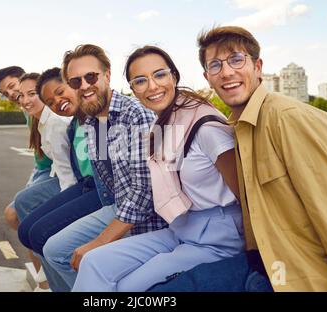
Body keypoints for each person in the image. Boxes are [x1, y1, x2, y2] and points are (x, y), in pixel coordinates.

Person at [194, 25, 327, 291]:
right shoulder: (238, 128)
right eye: (215, 65)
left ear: (258, 67)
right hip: (262, 266)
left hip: (301, 277)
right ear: (207, 77)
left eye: (236, 59)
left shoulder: (288, 118)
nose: (226, 72)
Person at [72, 45, 245, 292]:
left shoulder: (203, 126)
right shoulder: (163, 121)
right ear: (133, 88)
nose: (152, 86)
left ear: (174, 76)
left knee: (125, 287)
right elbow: (108, 178)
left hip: (214, 236)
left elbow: (247, 197)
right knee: (93, 263)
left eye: (160, 75)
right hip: (180, 226)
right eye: (141, 81)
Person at [42, 44, 167, 290]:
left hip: (150, 220)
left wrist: (101, 242)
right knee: (54, 250)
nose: (84, 85)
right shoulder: (92, 121)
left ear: (107, 75)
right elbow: (108, 183)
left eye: (91, 77)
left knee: (89, 258)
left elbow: (145, 193)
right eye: (76, 81)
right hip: (118, 206)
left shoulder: (136, 114)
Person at [17, 67, 106, 261]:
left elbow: (109, 179)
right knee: (26, 231)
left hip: (100, 191)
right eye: (50, 101)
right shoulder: (75, 124)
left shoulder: (99, 119)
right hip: (86, 185)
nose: (57, 102)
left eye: (60, 93)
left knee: (41, 236)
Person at [0, 66, 59, 290]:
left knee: (16, 213)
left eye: (12, 87)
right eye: (5, 92)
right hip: (40, 171)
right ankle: (43, 275)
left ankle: (46, 278)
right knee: (16, 216)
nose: (10, 94)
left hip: (53, 171)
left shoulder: (46, 104)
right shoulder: (26, 107)